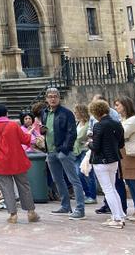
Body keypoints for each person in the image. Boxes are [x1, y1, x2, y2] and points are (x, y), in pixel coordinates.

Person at [0, 103, 40, 224]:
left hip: (0, 161)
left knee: (6, 188)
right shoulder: (13, 125)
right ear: (7, 113)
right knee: (24, 186)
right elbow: (25, 140)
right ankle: (31, 212)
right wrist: (30, 133)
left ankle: (13, 214)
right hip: (17, 160)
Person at [40, 88, 86, 219]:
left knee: (73, 180)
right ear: (46, 99)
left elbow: (72, 132)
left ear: (59, 98)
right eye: (50, 96)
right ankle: (65, 206)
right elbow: (47, 129)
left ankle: (80, 209)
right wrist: (42, 131)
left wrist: (65, 149)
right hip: (50, 151)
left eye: (55, 96)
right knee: (57, 179)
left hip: (63, 151)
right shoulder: (44, 112)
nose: (53, 99)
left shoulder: (66, 113)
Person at [89, 99, 126, 228]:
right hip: (114, 159)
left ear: (95, 112)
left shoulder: (98, 125)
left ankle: (117, 219)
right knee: (113, 188)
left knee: (108, 190)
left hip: (101, 161)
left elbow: (96, 147)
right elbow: (121, 144)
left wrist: (89, 143)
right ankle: (119, 215)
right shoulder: (117, 124)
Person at [114, 96, 135, 222]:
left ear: (125, 105)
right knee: (129, 182)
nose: (116, 107)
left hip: (132, 153)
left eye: (118, 105)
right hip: (125, 153)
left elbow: (122, 134)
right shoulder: (123, 119)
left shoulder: (133, 120)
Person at [72, 103, 97, 204]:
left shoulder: (89, 123)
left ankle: (92, 196)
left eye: (76, 112)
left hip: (85, 151)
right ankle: (87, 194)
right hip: (77, 151)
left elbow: (82, 137)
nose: (75, 114)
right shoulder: (77, 123)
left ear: (81, 112)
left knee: (88, 173)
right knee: (78, 174)